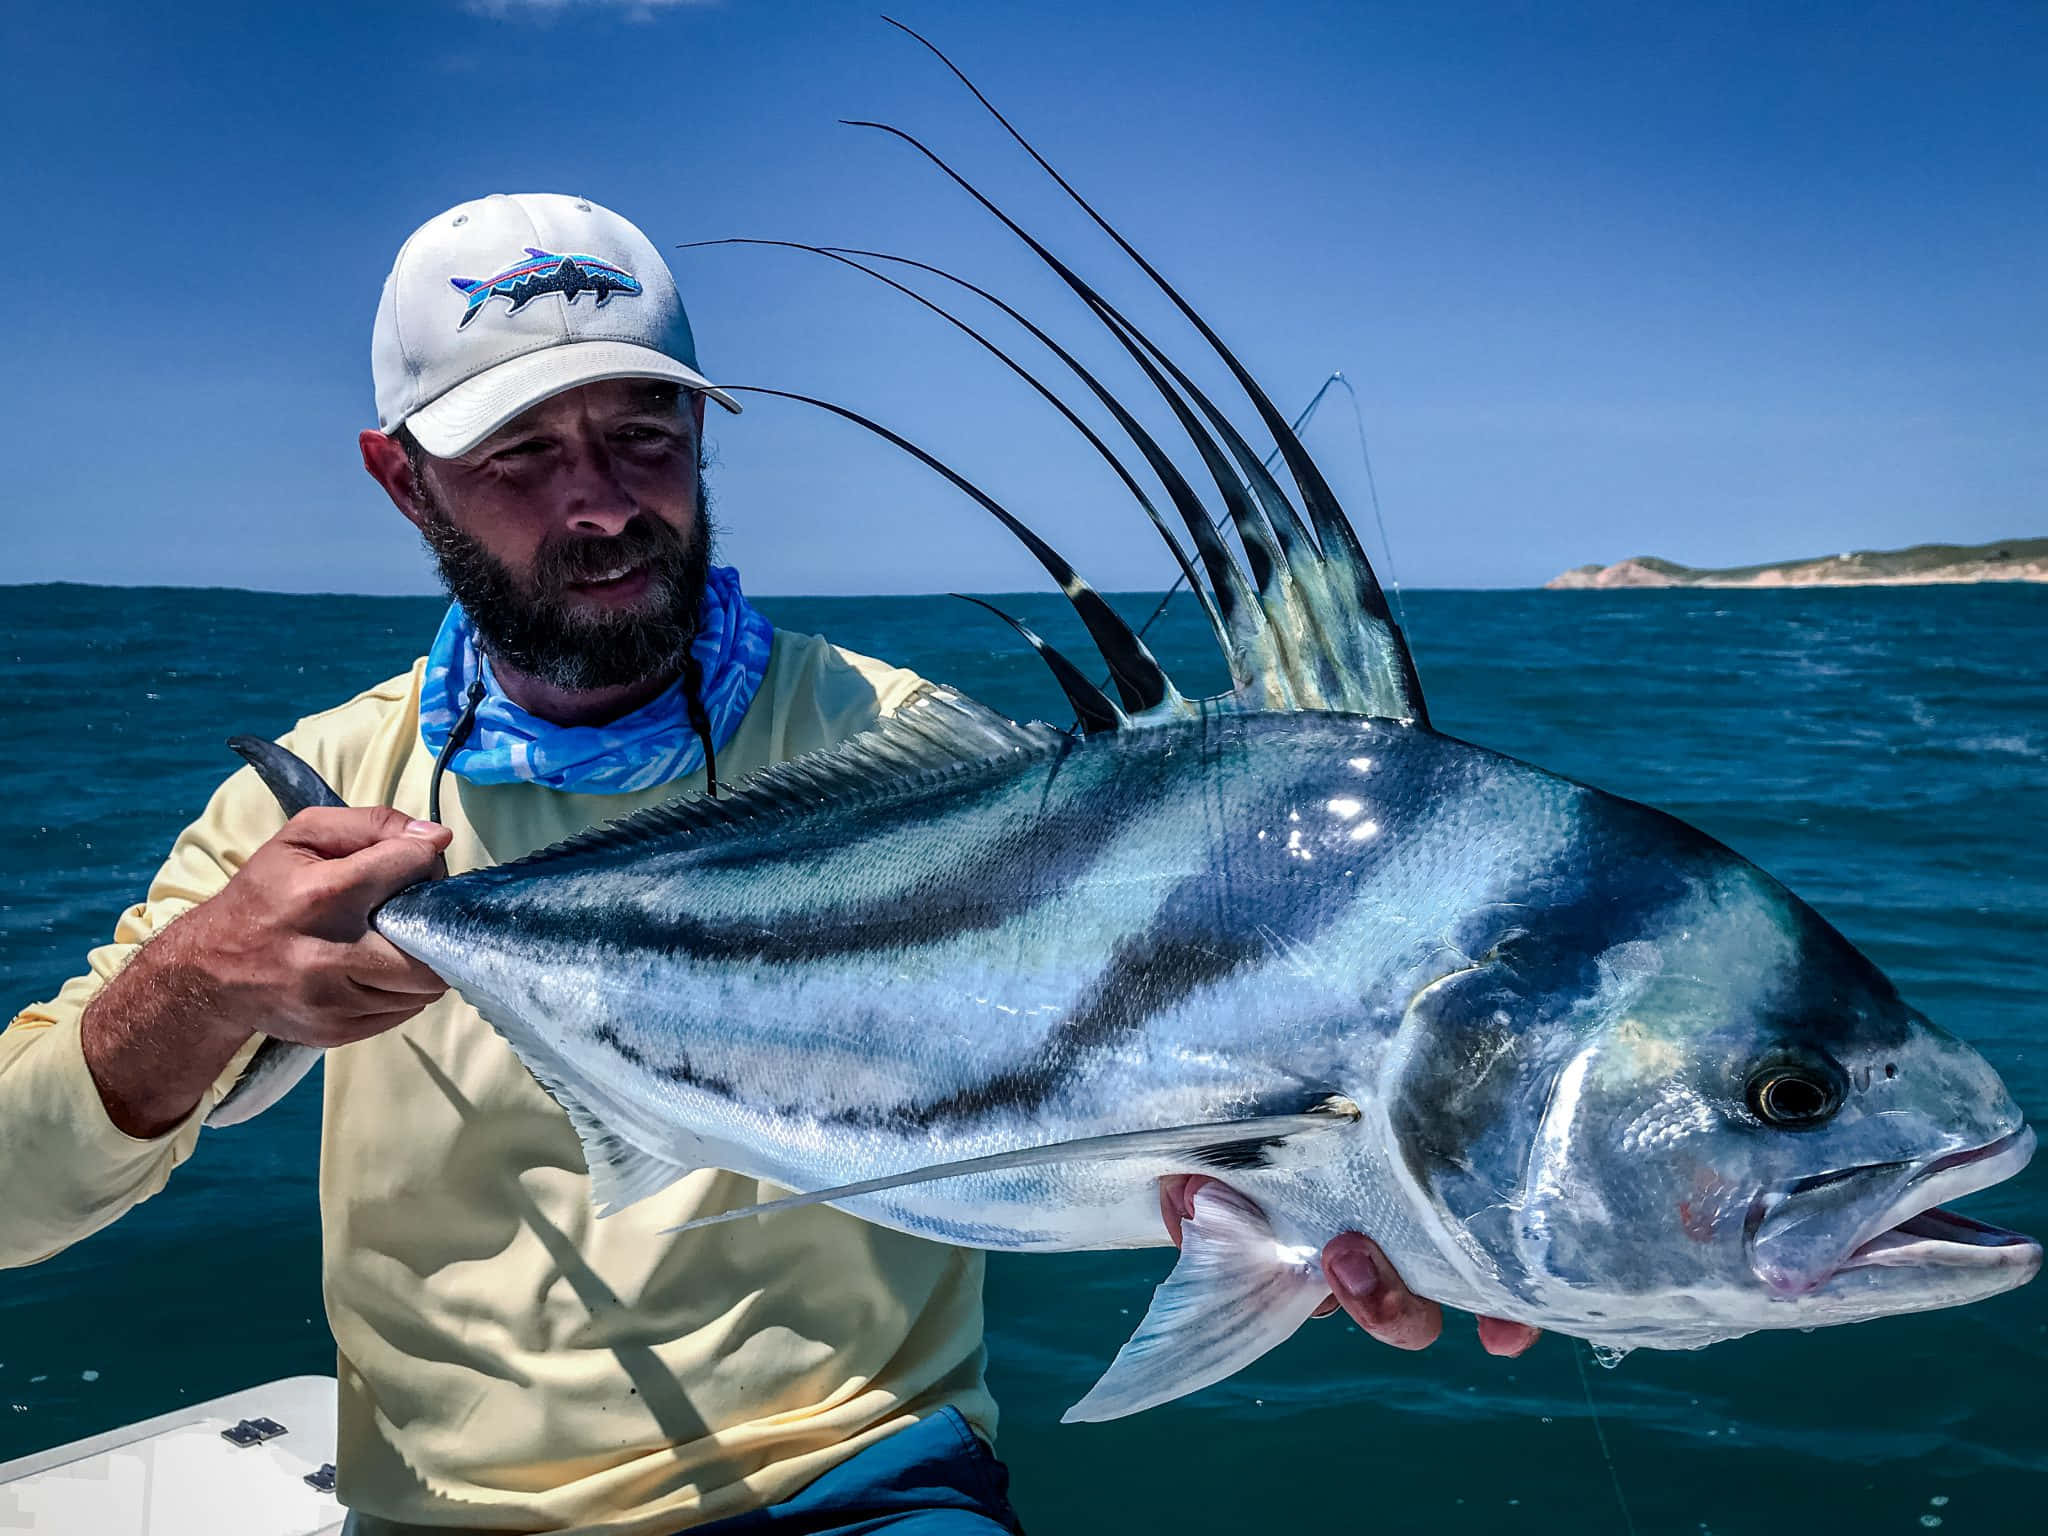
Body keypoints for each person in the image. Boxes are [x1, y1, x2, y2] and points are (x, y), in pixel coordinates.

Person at [0, 192, 1535, 1536]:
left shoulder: (927, 749)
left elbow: (1142, 1073)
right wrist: (198, 984)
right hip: (440, 1518)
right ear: (401, 480)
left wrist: (1384, 1203)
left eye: (642, 436)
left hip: (863, 1488)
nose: (599, 504)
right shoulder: (322, 803)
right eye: (519, 454)